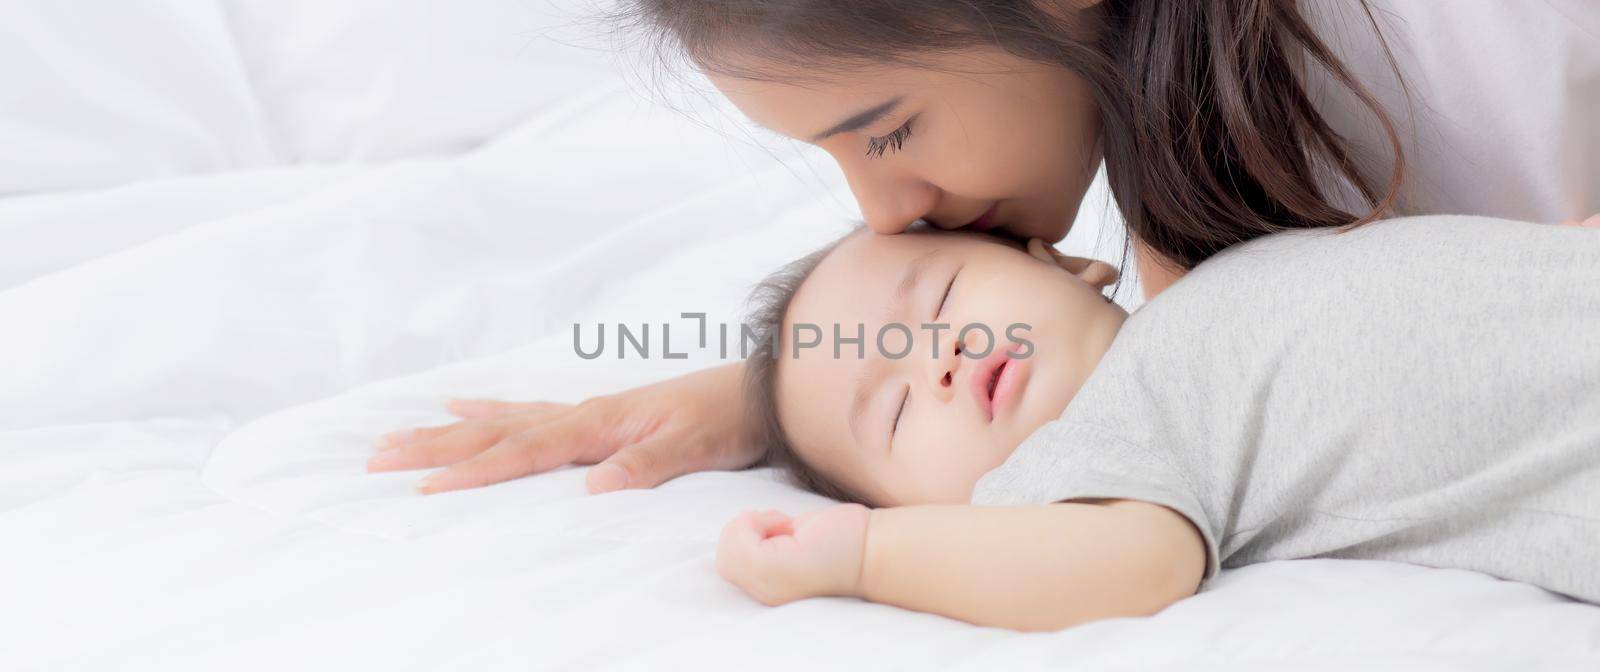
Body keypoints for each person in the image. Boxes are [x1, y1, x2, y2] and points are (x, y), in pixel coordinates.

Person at [366, 1, 1600, 495]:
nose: (883, 205)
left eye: (889, 129)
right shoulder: (1177, 154)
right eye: (833, 161)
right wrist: (807, 392)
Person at [713, 217, 1599, 630]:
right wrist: (868, 556)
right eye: (898, 412)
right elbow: (1137, 566)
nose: (937, 360)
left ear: (1066, 264)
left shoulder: (1214, 267)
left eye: (940, 299)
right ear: (930, 514)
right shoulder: (1090, 455)